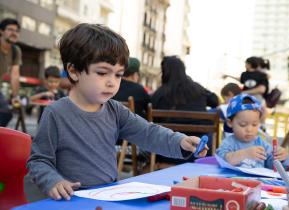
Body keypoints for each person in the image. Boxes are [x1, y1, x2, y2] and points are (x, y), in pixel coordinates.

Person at [26, 23, 207, 201]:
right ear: (74, 71)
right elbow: (39, 160)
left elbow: (148, 133)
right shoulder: (56, 113)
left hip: (109, 195)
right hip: (71, 200)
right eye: (103, 73)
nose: (112, 82)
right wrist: (53, 181)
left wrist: (181, 142)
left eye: (118, 74)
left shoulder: (116, 110)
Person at [151, 55, 219, 165]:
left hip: (167, 153)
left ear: (164, 71)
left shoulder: (159, 93)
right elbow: (214, 101)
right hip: (200, 151)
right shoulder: (198, 88)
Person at [216, 93, 288, 169]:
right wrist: (245, 154)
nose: (249, 130)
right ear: (230, 123)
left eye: (254, 124)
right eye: (243, 124)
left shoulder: (261, 143)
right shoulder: (228, 143)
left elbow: (272, 166)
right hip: (234, 180)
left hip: (259, 180)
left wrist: (280, 158)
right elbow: (222, 160)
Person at [0, 18, 22, 126]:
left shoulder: (15, 51)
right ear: (1, 31)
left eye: (17, 31)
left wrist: (15, 96)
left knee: (6, 113)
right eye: (10, 29)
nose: (14, 33)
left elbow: (15, 75)